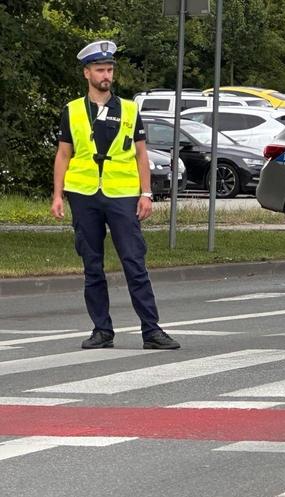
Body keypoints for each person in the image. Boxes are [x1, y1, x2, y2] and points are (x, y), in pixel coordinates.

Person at [50, 40, 180, 350]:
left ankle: (151, 330)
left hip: (122, 194)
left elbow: (141, 155)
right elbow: (63, 155)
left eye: (109, 69)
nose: (106, 75)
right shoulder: (72, 110)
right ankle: (102, 330)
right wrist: (57, 195)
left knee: (134, 262)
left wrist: (146, 193)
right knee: (92, 265)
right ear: (87, 73)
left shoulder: (130, 110)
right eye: (100, 70)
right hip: (83, 194)